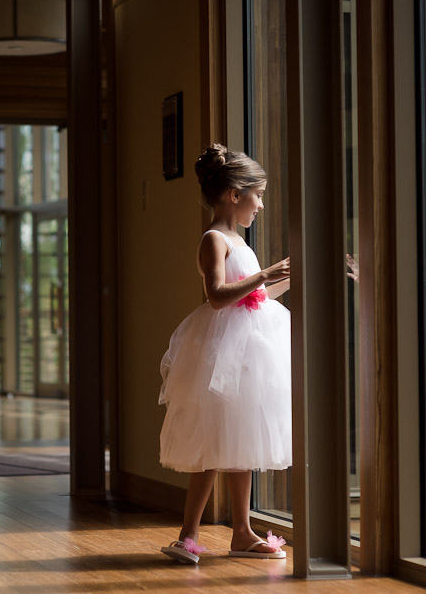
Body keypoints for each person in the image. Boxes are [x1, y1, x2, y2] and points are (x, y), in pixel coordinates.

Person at [158, 145, 292, 564]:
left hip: (249, 351)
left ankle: (242, 530)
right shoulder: (214, 240)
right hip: (222, 353)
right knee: (214, 438)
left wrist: (285, 279)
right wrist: (264, 272)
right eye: (259, 195)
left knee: (241, 435)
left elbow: (255, 297)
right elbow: (217, 297)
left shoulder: (241, 241)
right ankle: (188, 534)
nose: (262, 205)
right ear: (235, 194)